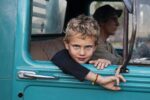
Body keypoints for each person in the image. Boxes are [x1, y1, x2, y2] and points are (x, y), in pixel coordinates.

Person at [51, 15, 126, 91]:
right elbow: (62, 60)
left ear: (95, 47)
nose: (82, 53)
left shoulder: (93, 59)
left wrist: (105, 64)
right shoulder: (62, 56)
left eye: (88, 47)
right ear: (67, 45)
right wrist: (99, 79)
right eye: (76, 46)